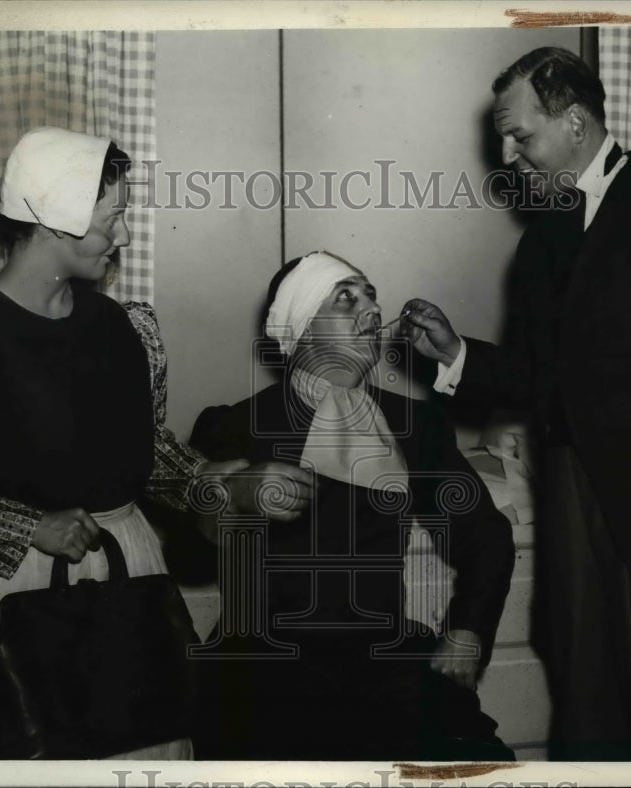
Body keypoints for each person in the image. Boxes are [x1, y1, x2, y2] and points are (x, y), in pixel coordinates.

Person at [0, 126, 311, 759]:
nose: (124, 236)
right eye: (114, 217)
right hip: (0, 588)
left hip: (128, 574)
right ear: (56, 218)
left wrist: (226, 485)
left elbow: (147, 454)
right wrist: (26, 525)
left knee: (139, 742)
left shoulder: (127, 329)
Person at [401, 47, 631, 761]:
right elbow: (539, 376)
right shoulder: (543, 242)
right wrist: (455, 357)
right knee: (592, 702)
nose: (509, 155)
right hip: (570, 497)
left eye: (520, 135)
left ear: (575, 121)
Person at [189, 251, 516, 761]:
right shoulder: (234, 426)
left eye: (370, 295)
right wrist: (237, 496)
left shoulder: (417, 427)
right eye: (345, 299)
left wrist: (467, 631)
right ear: (302, 329)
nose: (369, 309)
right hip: (265, 669)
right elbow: (190, 555)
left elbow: (487, 537)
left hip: (387, 662)